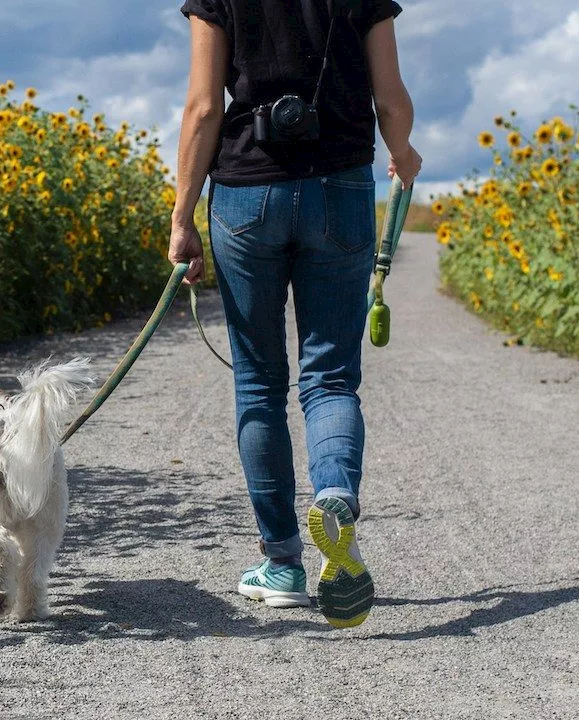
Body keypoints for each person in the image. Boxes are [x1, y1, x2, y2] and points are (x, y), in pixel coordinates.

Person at [170, 0, 421, 628]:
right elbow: (389, 97)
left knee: (258, 384)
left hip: (246, 191)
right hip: (340, 185)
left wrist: (182, 215)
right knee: (331, 377)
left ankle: (282, 565)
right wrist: (404, 150)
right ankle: (335, 493)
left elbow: (203, 107)